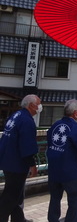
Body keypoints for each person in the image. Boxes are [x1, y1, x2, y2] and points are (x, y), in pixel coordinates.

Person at [47, 99, 77, 222]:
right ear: (76, 113)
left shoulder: (55, 125)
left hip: (53, 168)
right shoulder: (76, 127)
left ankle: (52, 220)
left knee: (55, 198)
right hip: (69, 169)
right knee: (76, 198)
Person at [0, 94, 40, 222]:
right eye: (38, 103)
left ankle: (19, 219)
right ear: (32, 105)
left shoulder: (16, 116)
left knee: (16, 194)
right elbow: (27, 144)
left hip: (7, 159)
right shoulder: (27, 121)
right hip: (16, 163)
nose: (40, 106)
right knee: (11, 196)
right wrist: (32, 164)